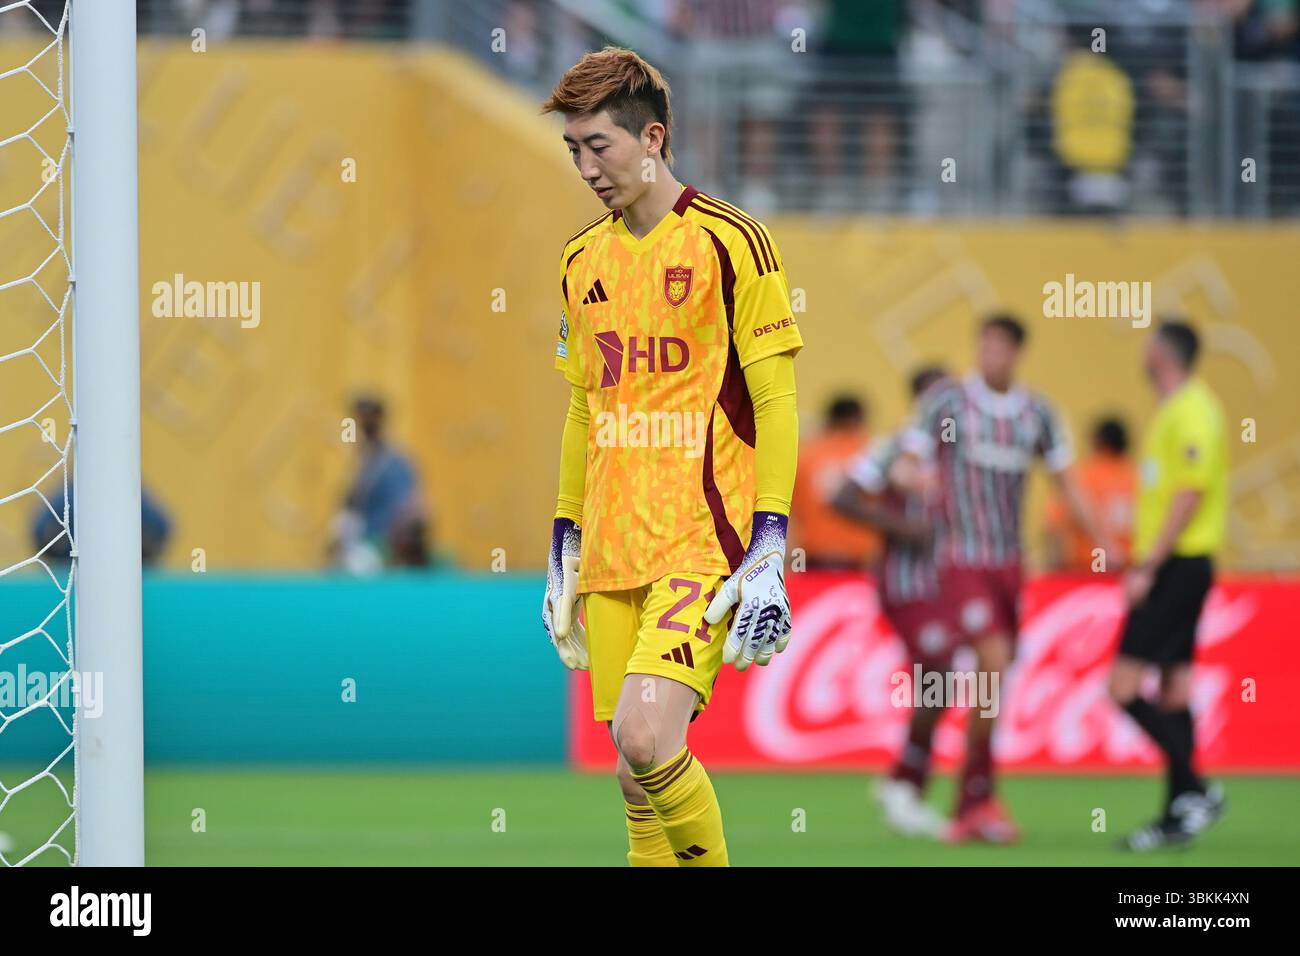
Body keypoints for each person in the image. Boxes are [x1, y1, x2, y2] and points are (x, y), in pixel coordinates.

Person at [539, 47, 803, 867]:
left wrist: (768, 545)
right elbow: (585, 406)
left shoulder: (733, 243)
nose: (586, 167)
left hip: (703, 542)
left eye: (599, 147)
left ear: (652, 137)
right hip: (614, 548)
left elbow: (775, 402)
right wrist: (564, 544)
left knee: (647, 735)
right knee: (632, 771)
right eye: (574, 149)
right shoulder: (580, 262)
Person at [900, 313, 1117, 843]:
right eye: (985, 344)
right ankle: (975, 800)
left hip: (1010, 564)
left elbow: (1067, 481)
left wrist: (1106, 541)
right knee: (992, 666)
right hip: (961, 559)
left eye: (1001, 346)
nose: (991, 354)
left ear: (1016, 353)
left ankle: (971, 799)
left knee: (996, 682)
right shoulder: (948, 402)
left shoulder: (1036, 413)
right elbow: (906, 460)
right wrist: (917, 478)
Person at [1108, 320, 1228, 851]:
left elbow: (1190, 492)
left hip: (1178, 565)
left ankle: (1198, 789)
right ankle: (1178, 811)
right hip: (1182, 565)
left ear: (1160, 352)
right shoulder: (1175, 408)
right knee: (1174, 690)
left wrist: (1148, 565)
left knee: (1123, 687)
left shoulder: (1193, 410)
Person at [832, 365, 951, 838]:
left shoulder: (959, 452)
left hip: (951, 584)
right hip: (906, 582)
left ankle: (904, 777)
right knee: (937, 669)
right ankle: (908, 786)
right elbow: (842, 496)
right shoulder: (895, 447)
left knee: (940, 676)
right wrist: (904, 529)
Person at [329, 394, 424, 573]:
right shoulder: (361, 462)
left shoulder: (394, 463)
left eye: (367, 418)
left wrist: (395, 550)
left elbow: (406, 510)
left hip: (382, 548)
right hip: (360, 544)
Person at [791, 394, 882, 571]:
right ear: (858, 420)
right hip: (860, 565)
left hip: (811, 562)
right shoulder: (873, 455)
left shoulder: (805, 457)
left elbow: (790, 515)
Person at [1042, 416, 1136, 572]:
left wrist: (1057, 567)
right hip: (1129, 569)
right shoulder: (1137, 477)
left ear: (1097, 441)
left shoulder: (1081, 478)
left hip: (1089, 568)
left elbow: (1054, 525)